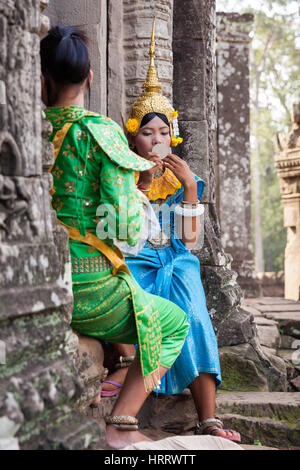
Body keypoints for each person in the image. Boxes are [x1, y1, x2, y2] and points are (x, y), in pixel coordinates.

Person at [40, 25, 190, 449]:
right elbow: (123, 230)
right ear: (89, 79)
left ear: (40, 78)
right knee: (175, 321)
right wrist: (138, 190)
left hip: (37, 274)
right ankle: (122, 426)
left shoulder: (34, 127)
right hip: (86, 282)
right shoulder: (100, 133)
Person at [101, 20, 241, 444]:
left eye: (164, 132)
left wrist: (191, 189)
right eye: (147, 132)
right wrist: (140, 185)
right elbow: (116, 233)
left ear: (173, 135)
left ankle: (208, 419)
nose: (156, 140)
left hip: (177, 261)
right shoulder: (121, 173)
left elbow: (191, 241)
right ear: (134, 139)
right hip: (135, 259)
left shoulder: (185, 178)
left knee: (195, 314)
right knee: (142, 310)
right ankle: (127, 393)